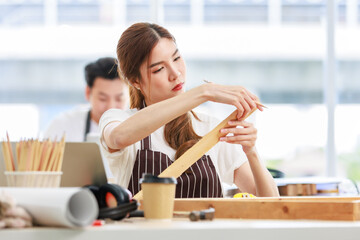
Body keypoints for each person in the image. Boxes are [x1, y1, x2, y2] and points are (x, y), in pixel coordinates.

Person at [100, 23, 279, 198]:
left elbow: (270, 201)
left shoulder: (210, 128)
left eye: (177, 58)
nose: (175, 73)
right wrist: (204, 92)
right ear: (135, 81)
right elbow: (118, 138)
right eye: (159, 69)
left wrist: (251, 151)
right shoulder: (118, 119)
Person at [44, 57, 129, 142]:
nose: (111, 107)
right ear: (88, 93)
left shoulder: (138, 129)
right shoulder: (62, 127)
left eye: (119, 99)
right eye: (103, 99)